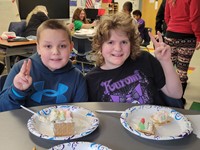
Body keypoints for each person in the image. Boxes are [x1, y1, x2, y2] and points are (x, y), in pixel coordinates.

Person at [85, 12, 182, 107]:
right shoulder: (91, 80)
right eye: (110, 42)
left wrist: (166, 61)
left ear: (131, 43)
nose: (118, 48)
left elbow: (176, 94)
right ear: (100, 45)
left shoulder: (145, 59)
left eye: (124, 42)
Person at [0, 19, 88, 112]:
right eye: (48, 46)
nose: (55, 52)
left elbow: (81, 114)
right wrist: (16, 91)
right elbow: (2, 110)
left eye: (62, 46)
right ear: (38, 48)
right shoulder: (21, 69)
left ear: (71, 47)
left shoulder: (77, 77)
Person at [164, 0, 200, 105]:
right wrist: (198, 36)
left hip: (170, 35)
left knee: (167, 69)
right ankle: (178, 101)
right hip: (187, 37)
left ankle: (165, 98)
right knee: (182, 72)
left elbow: (166, 17)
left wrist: (172, 27)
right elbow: (194, 17)